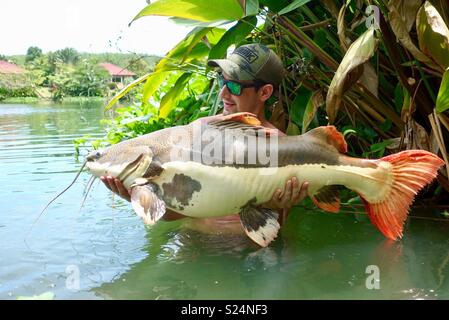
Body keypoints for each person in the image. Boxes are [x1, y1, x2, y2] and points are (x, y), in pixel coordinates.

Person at [101, 43, 309, 231]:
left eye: (235, 86)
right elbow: (176, 212)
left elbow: (275, 226)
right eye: (222, 81)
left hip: (245, 248)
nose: (223, 94)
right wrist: (134, 196)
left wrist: (280, 205)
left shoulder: (281, 146)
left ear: (264, 92)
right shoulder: (200, 130)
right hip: (195, 243)